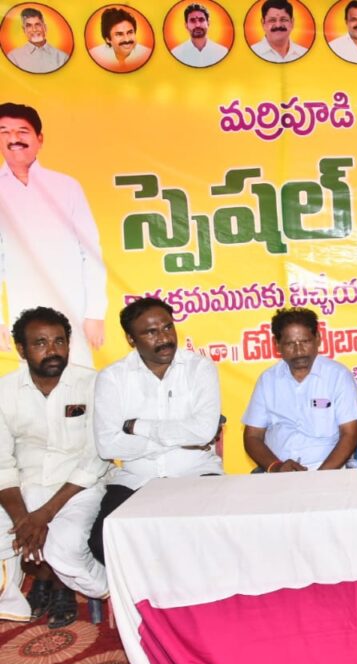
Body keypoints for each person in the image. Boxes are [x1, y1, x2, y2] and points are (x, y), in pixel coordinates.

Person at [89, 297, 222, 564]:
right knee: (103, 542)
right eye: (151, 332)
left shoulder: (200, 369)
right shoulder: (112, 378)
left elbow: (204, 432)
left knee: (213, 536)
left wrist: (138, 427)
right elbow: (108, 445)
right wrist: (178, 440)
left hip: (196, 473)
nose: (164, 338)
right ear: (131, 339)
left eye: (167, 327)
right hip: (136, 479)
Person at [0, 308, 108, 628]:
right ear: (22, 349)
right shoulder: (4, 392)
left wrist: (43, 515)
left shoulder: (93, 384)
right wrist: (23, 521)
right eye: (40, 343)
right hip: (26, 487)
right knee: (13, 537)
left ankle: (87, 585)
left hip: (80, 488)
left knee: (65, 550)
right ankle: (36, 580)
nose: (52, 350)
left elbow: (95, 458)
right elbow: (2, 463)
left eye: (59, 341)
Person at [0, 103, 107, 367]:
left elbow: (90, 250)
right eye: (4, 132)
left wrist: (95, 312)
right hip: (22, 306)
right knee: (31, 379)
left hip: (72, 306)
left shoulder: (66, 186)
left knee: (79, 377)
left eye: (22, 131)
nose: (14, 139)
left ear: (40, 139)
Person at [243, 308, 357, 472]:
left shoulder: (338, 376)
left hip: (328, 472)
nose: (299, 351)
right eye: (290, 344)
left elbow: (349, 434)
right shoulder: (267, 380)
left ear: (318, 339)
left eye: (305, 342)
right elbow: (252, 436)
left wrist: (318, 478)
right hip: (280, 473)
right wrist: (276, 467)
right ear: (277, 344)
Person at [88, 6, 152, 72]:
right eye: (119, 34)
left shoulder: (146, 54)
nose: (127, 39)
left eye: (130, 32)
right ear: (108, 39)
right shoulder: (95, 55)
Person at [6, 8, 69, 74]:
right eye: (29, 26)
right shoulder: (13, 57)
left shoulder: (62, 57)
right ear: (24, 30)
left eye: (37, 24)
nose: (34, 29)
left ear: (45, 27)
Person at [170, 3, 229, 67]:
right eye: (192, 20)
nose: (197, 25)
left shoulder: (222, 52)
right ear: (186, 25)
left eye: (201, 20)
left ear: (208, 23)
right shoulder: (176, 54)